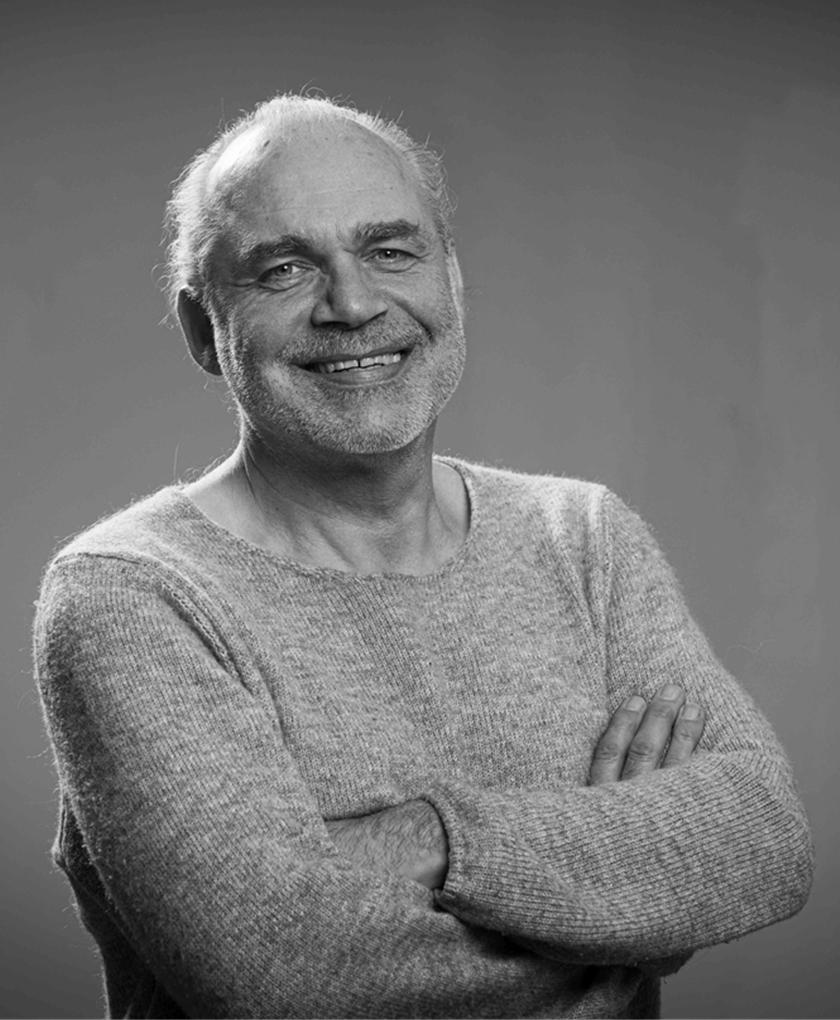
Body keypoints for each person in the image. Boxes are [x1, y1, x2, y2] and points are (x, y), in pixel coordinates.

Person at [34, 93, 813, 1020]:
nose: (354, 304)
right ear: (206, 330)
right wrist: (630, 911)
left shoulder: (584, 539)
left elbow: (765, 840)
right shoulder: (134, 597)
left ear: (451, 280)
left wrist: (430, 838)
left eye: (390, 251)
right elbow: (288, 978)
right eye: (284, 269)